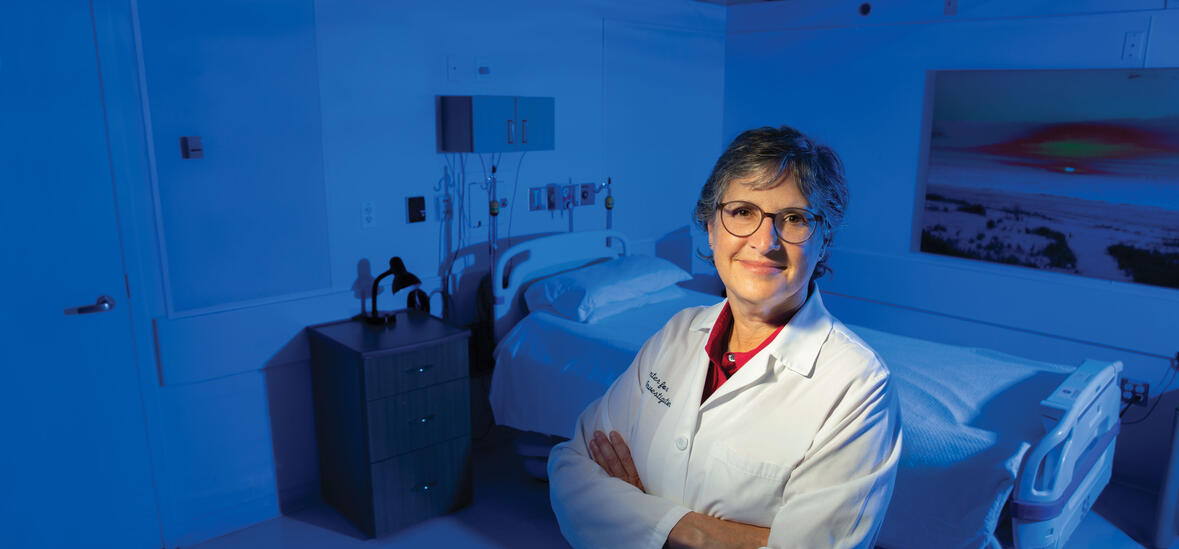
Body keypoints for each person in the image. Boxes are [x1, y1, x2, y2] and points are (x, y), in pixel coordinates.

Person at [547, 125, 902, 549]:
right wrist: (702, 532)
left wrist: (634, 511)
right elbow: (570, 467)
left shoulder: (858, 387)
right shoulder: (678, 333)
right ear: (711, 228)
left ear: (823, 241)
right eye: (742, 212)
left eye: (794, 218)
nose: (765, 240)